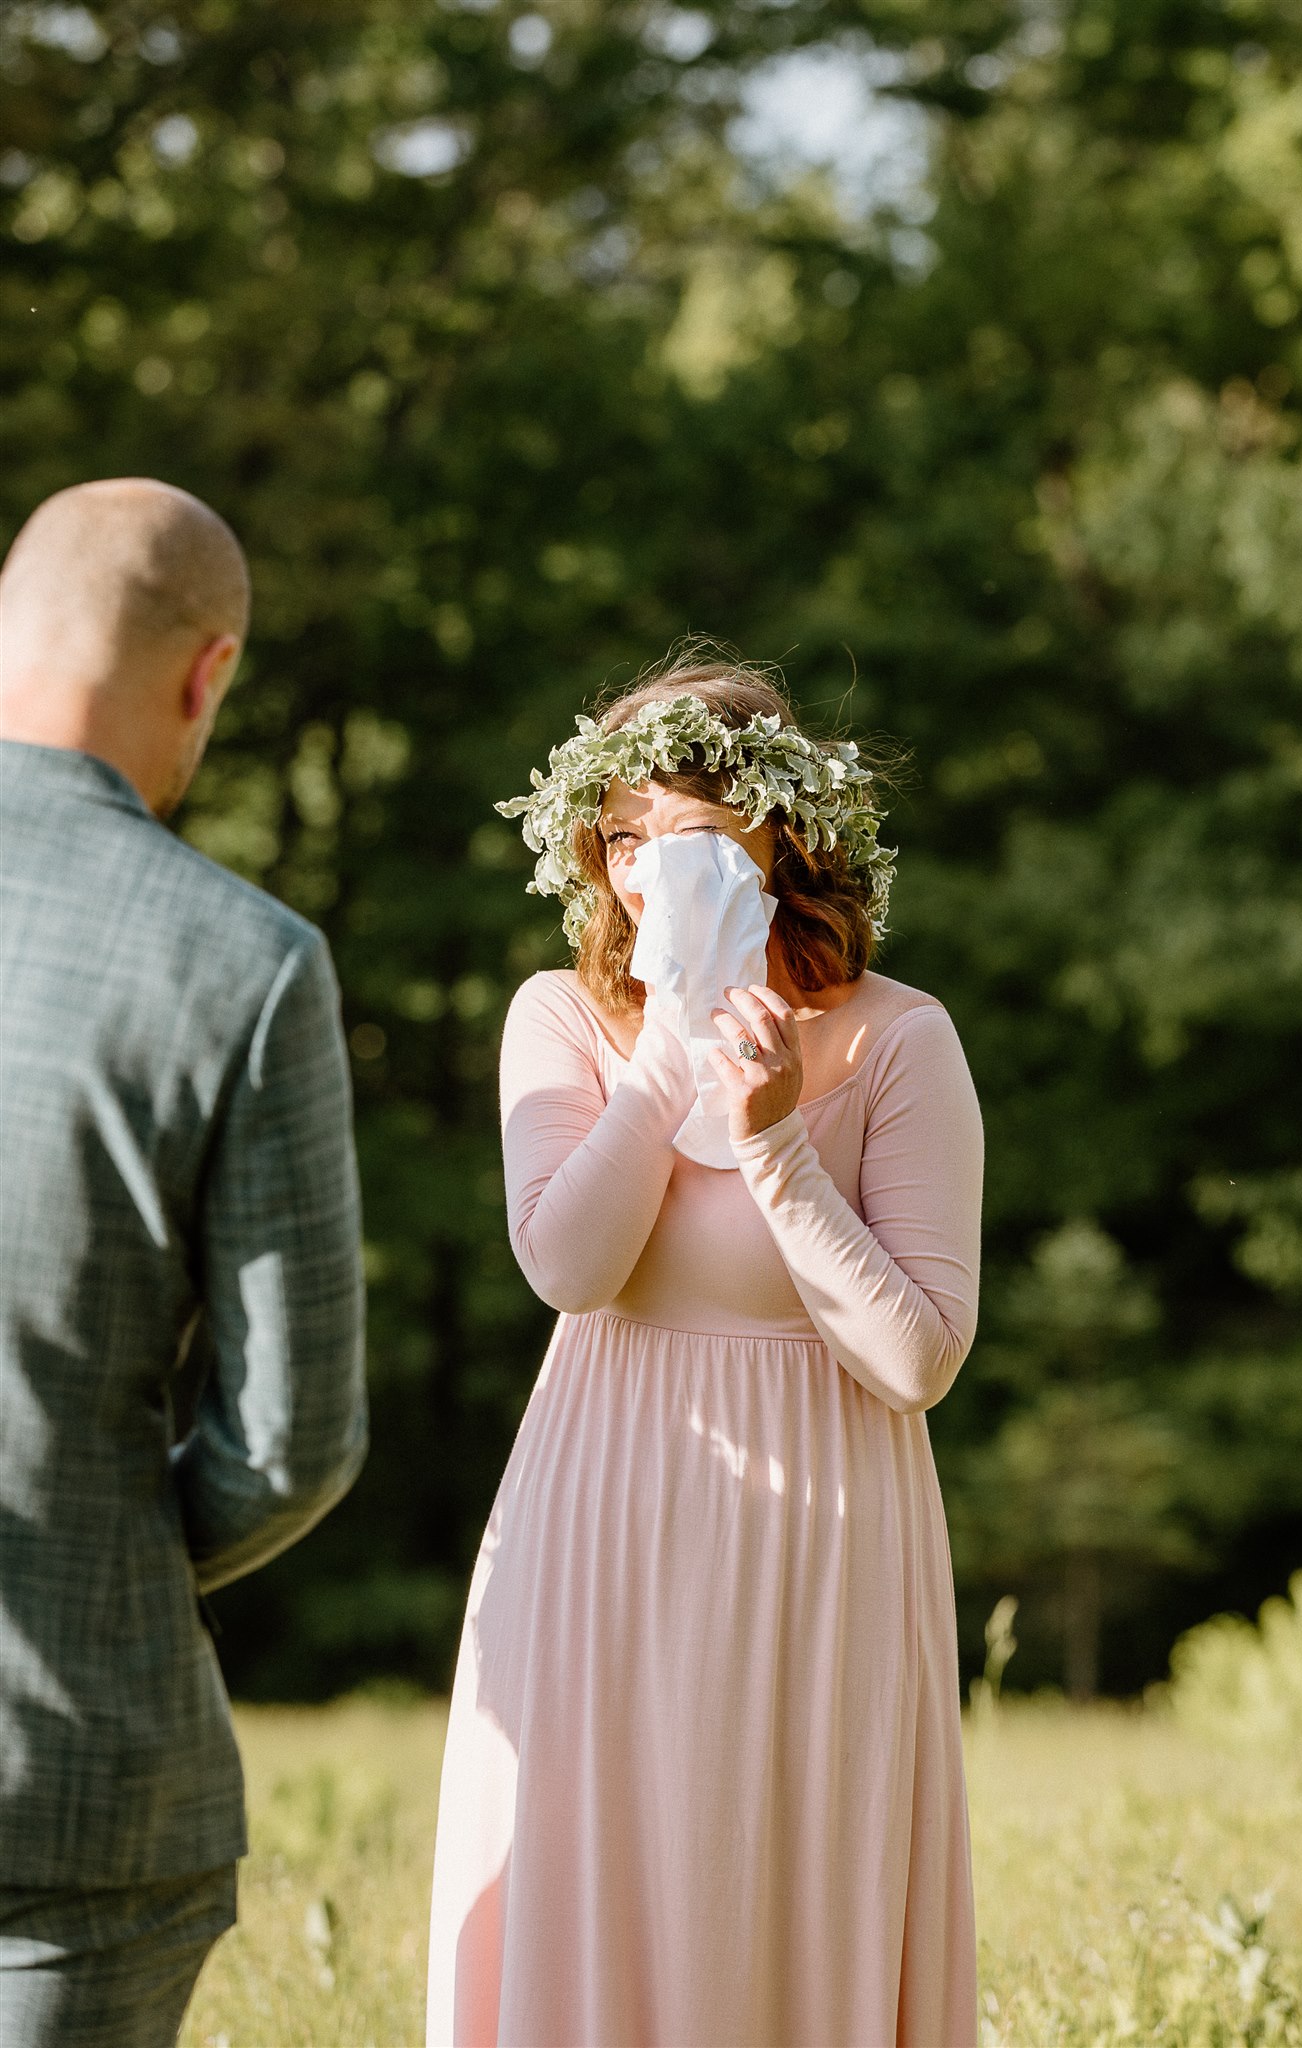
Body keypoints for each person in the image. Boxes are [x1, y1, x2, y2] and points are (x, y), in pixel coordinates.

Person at [427, 654, 983, 2047]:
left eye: (686, 833)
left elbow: (915, 1361)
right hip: (600, 1515)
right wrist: (672, 1045)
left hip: (820, 1539)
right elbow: (570, 1266)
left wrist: (776, 1139)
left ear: (777, 836)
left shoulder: (900, 1040)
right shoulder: (561, 1019)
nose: (645, 870)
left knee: (775, 1887)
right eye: (622, 837)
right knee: (598, 1870)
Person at [0, 479, 368, 2048]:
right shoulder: (244, 964)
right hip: (72, 1788)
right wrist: (109, 1558)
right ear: (208, 674)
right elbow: (289, 1443)